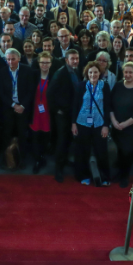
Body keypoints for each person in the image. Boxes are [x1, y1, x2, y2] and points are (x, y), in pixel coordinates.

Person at [72, 61, 112, 186]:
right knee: (82, 150)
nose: (93, 74)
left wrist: (106, 125)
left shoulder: (104, 86)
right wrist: (73, 123)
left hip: (99, 123)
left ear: (99, 73)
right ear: (87, 73)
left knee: (101, 151)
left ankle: (104, 177)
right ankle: (83, 176)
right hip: (82, 122)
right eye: (90, 72)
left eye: (95, 72)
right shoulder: (81, 85)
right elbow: (75, 105)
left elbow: (107, 106)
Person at [0, 48, 35, 168]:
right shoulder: (2, 72)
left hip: (23, 107)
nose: (10, 62)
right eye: (8, 59)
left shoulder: (27, 70)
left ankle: (21, 159)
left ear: (18, 58)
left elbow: (31, 90)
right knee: (6, 133)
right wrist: (13, 105)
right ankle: (6, 159)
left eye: (13, 59)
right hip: (9, 107)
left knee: (22, 133)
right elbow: (1, 93)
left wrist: (22, 106)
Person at [48, 49, 81, 182]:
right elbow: (50, 93)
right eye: (72, 59)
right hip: (62, 113)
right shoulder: (61, 73)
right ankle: (58, 169)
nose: (75, 61)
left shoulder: (77, 71)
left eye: (76, 58)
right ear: (67, 60)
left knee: (68, 139)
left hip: (73, 112)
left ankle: (65, 160)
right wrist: (57, 110)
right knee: (62, 141)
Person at [30, 51, 53, 174]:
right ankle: (37, 159)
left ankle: (42, 156)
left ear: (50, 64)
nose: (44, 65)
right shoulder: (33, 75)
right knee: (35, 137)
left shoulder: (54, 77)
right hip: (35, 111)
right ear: (38, 63)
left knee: (45, 137)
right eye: (42, 62)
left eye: (47, 62)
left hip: (47, 112)